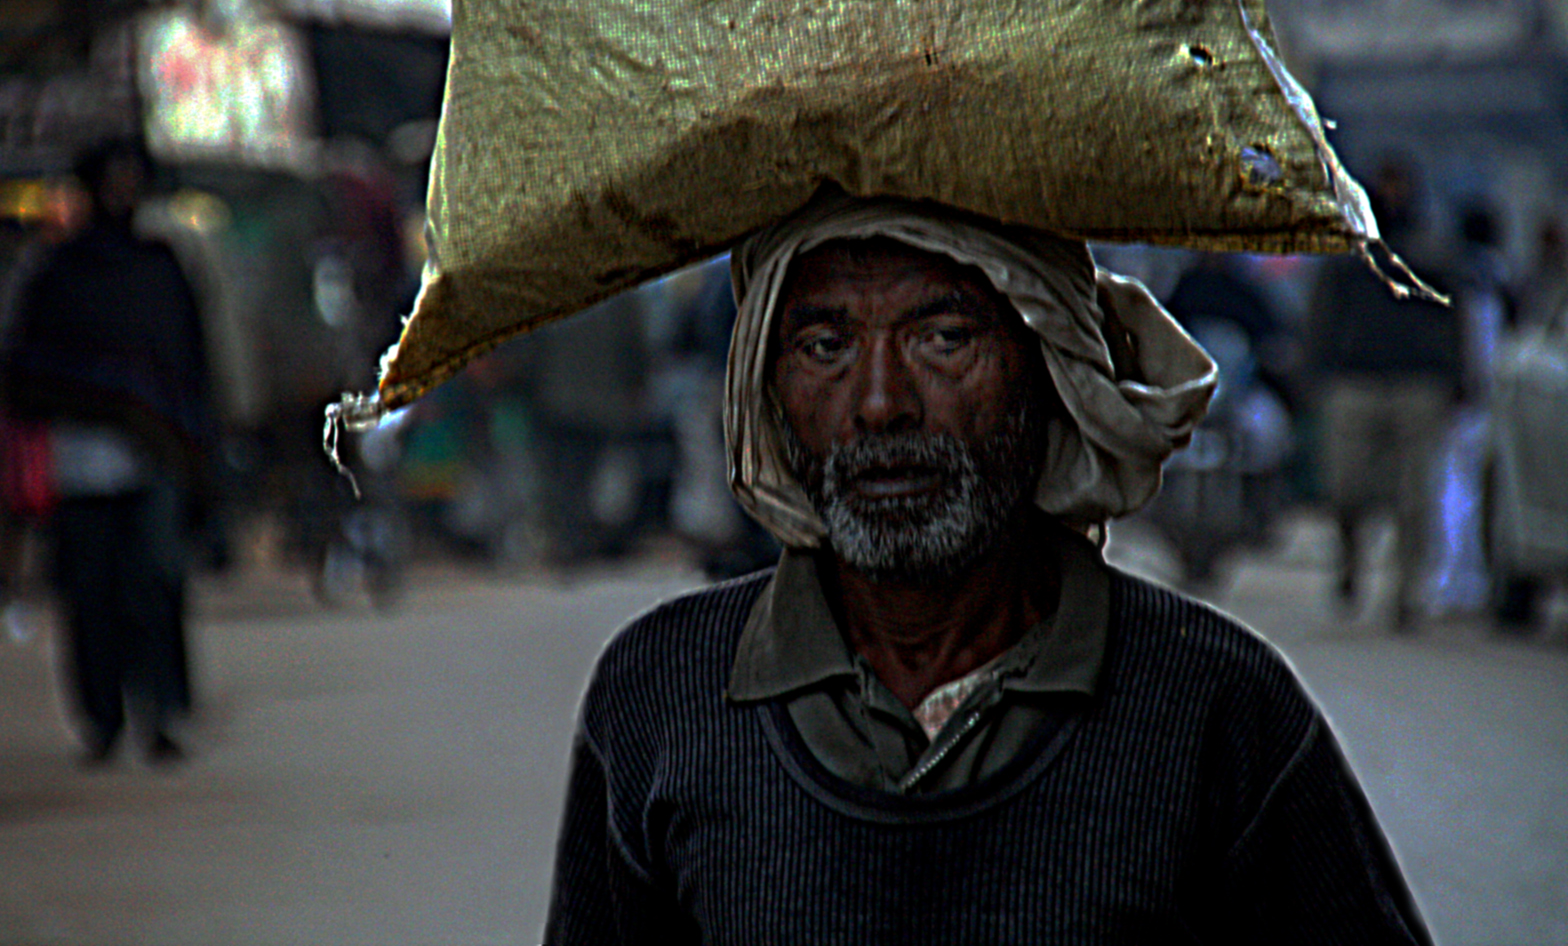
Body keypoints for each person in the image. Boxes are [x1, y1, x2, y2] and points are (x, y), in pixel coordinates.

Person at [543, 191, 1433, 943]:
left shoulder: (1217, 710)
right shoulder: (657, 693)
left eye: (944, 337)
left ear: (1045, 368)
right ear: (769, 389)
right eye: (826, 347)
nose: (881, 403)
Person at [0, 139, 216, 766]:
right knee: (90, 591)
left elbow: (190, 363)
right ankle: (102, 717)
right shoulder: (56, 274)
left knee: (155, 584)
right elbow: (26, 367)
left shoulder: (161, 267)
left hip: (154, 460)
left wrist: (193, 437)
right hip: (81, 464)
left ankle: (161, 713)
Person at [1302, 157, 1463, 630]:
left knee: (1416, 497)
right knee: (1345, 487)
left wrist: (1459, 378)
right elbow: (1321, 315)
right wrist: (1314, 373)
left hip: (1419, 382)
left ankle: (1408, 591)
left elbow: (1456, 317)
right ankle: (1351, 562)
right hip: (1355, 380)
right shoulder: (1349, 248)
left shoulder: (1434, 248)